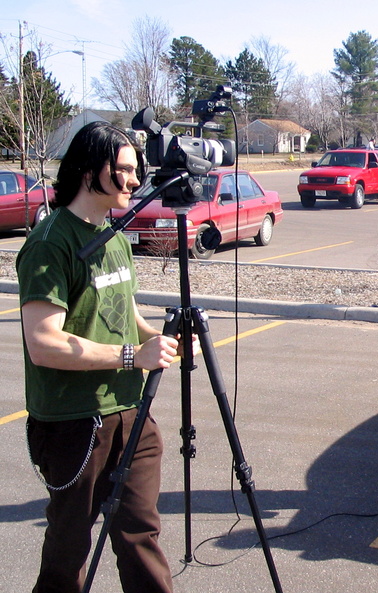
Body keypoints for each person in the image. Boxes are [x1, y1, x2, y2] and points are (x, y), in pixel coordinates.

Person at [17, 121, 183, 593]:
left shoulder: (112, 236)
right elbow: (44, 343)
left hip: (131, 413)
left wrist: (164, 338)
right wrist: (134, 355)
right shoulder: (53, 242)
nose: (135, 181)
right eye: (126, 170)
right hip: (74, 423)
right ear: (92, 171)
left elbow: (125, 315)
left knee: (139, 535)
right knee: (69, 548)